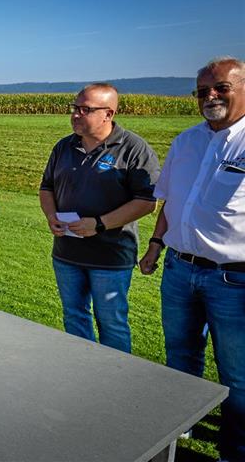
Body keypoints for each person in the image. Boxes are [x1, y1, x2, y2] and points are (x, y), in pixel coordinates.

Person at [139, 57, 245, 460]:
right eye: (203, 91)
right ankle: (179, 427)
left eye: (221, 88)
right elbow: (171, 203)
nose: (211, 96)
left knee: (237, 373)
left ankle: (234, 450)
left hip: (233, 280)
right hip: (180, 270)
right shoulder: (186, 141)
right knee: (180, 355)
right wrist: (155, 245)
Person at [39, 83, 159, 354]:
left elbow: (146, 202)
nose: (76, 114)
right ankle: (84, 376)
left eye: (85, 110)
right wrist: (50, 215)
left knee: (112, 325)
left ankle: (116, 384)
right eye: (74, 108)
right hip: (67, 254)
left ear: (109, 114)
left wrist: (100, 223)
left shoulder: (133, 149)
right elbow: (46, 187)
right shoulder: (64, 146)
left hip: (110, 258)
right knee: (74, 318)